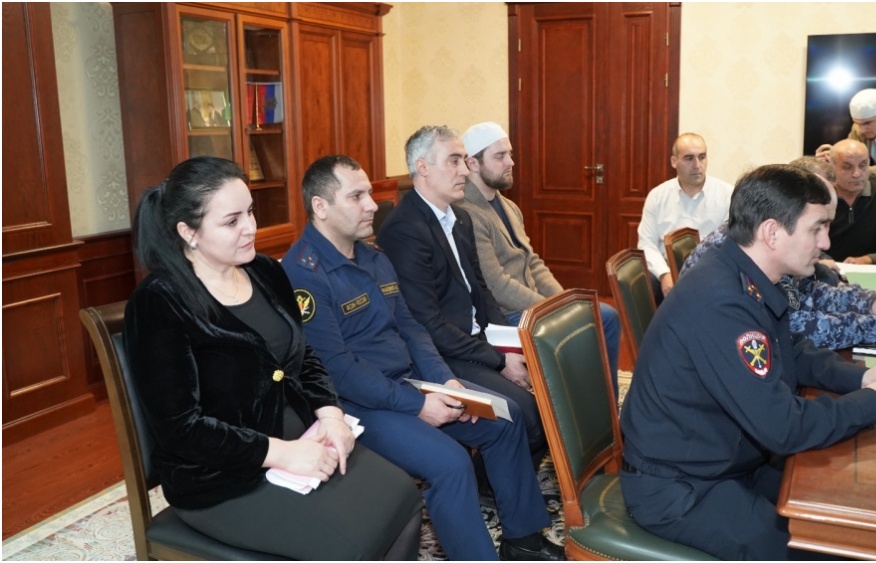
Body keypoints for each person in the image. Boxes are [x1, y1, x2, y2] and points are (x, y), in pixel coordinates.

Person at [619, 164, 876, 560]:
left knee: (846, 513)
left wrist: (864, 378)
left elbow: (790, 349)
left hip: (724, 460)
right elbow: (782, 426)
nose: (826, 242)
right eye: (816, 229)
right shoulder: (721, 300)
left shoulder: (746, 273)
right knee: (818, 548)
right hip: (681, 488)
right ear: (771, 232)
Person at [122, 156, 422, 560]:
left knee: (401, 495)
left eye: (250, 212)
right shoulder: (159, 303)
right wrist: (284, 454)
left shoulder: (265, 271)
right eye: (232, 221)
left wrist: (331, 416)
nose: (250, 227)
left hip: (304, 440)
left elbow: (304, 355)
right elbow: (181, 429)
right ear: (188, 232)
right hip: (223, 479)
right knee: (355, 541)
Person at [282, 155, 564, 561]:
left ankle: (523, 539)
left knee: (504, 420)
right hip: (356, 405)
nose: (372, 205)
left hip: (408, 381)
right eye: (357, 196)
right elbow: (337, 369)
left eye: (369, 194)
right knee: (450, 463)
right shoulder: (304, 273)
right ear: (320, 207)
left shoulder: (373, 257)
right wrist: (418, 405)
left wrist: (446, 381)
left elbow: (411, 328)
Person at [376, 125, 547, 465]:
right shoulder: (404, 230)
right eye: (454, 161)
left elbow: (482, 293)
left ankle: (512, 472)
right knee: (528, 411)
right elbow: (428, 324)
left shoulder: (462, 219)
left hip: (476, 342)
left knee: (550, 388)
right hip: (444, 353)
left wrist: (507, 345)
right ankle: (485, 481)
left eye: (464, 161)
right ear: (423, 167)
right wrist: (500, 360)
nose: (464, 171)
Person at [681, 156, 876, 350]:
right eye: (818, 225)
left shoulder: (772, 243)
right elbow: (797, 328)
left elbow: (808, 292)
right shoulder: (742, 253)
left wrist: (871, 302)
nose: (825, 242)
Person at [455, 121, 622, 391]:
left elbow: (533, 262)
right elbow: (498, 285)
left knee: (603, 316)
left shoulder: (508, 206)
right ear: (473, 164)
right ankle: (579, 404)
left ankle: (601, 404)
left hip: (532, 305)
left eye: (510, 154)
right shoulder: (467, 213)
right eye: (500, 156)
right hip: (508, 315)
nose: (511, 162)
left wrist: (563, 300)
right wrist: (553, 309)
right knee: (597, 321)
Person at [637, 132, 733, 301]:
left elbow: (731, 243)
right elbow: (646, 243)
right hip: (667, 268)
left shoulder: (727, 194)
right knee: (641, 282)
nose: (697, 165)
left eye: (702, 157)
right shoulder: (657, 196)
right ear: (674, 161)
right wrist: (664, 274)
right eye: (689, 158)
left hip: (709, 269)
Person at [827, 139, 876, 268]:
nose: (857, 174)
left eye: (863, 165)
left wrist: (868, 259)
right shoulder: (819, 196)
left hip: (867, 271)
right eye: (847, 167)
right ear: (831, 166)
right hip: (823, 271)